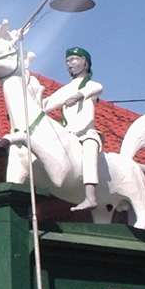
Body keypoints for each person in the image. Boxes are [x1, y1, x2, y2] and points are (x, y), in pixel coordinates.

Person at [41, 46, 103, 211]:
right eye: (68, 61)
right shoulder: (65, 89)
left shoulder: (89, 85)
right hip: (67, 134)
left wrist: (79, 95)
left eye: (74, 59)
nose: (70, 64)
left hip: (85, 134)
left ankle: (90, 196)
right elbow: (47, 104)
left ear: (85, 63)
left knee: (90, 147)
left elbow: (97, 88)